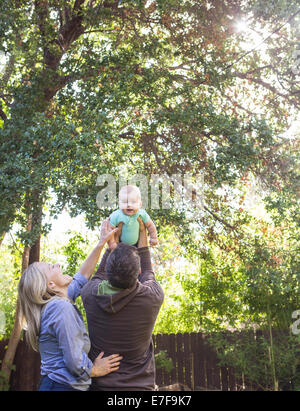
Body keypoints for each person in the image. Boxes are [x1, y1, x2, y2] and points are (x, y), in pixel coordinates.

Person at [18, 221, 123, 391]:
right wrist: (94, 370)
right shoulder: (61, 309)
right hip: (61, 386)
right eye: (52, 267)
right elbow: (74, 360)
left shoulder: (59, 301)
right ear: (51, 285)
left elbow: (83, 276)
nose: (58, 264)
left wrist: (102, 243)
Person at [81, 218, 164, 391]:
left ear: (109, 272)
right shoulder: (152, 297)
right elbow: (148, 271)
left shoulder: (90, 294)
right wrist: (142, 232)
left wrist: (111, 242)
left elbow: (99, 274)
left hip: (101, 387)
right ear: (138, 271)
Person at [108, 184, 158, 249]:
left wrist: (153, 237)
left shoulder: (141, 213)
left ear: (140, 204)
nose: (129, 205)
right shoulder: (116, 215)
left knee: (140, 253)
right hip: (120, 243)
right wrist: (112, 242)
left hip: (137, 244)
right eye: (125, 202)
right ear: (119, 204)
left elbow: (150, 225)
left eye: (133, 202)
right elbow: (110, 229)